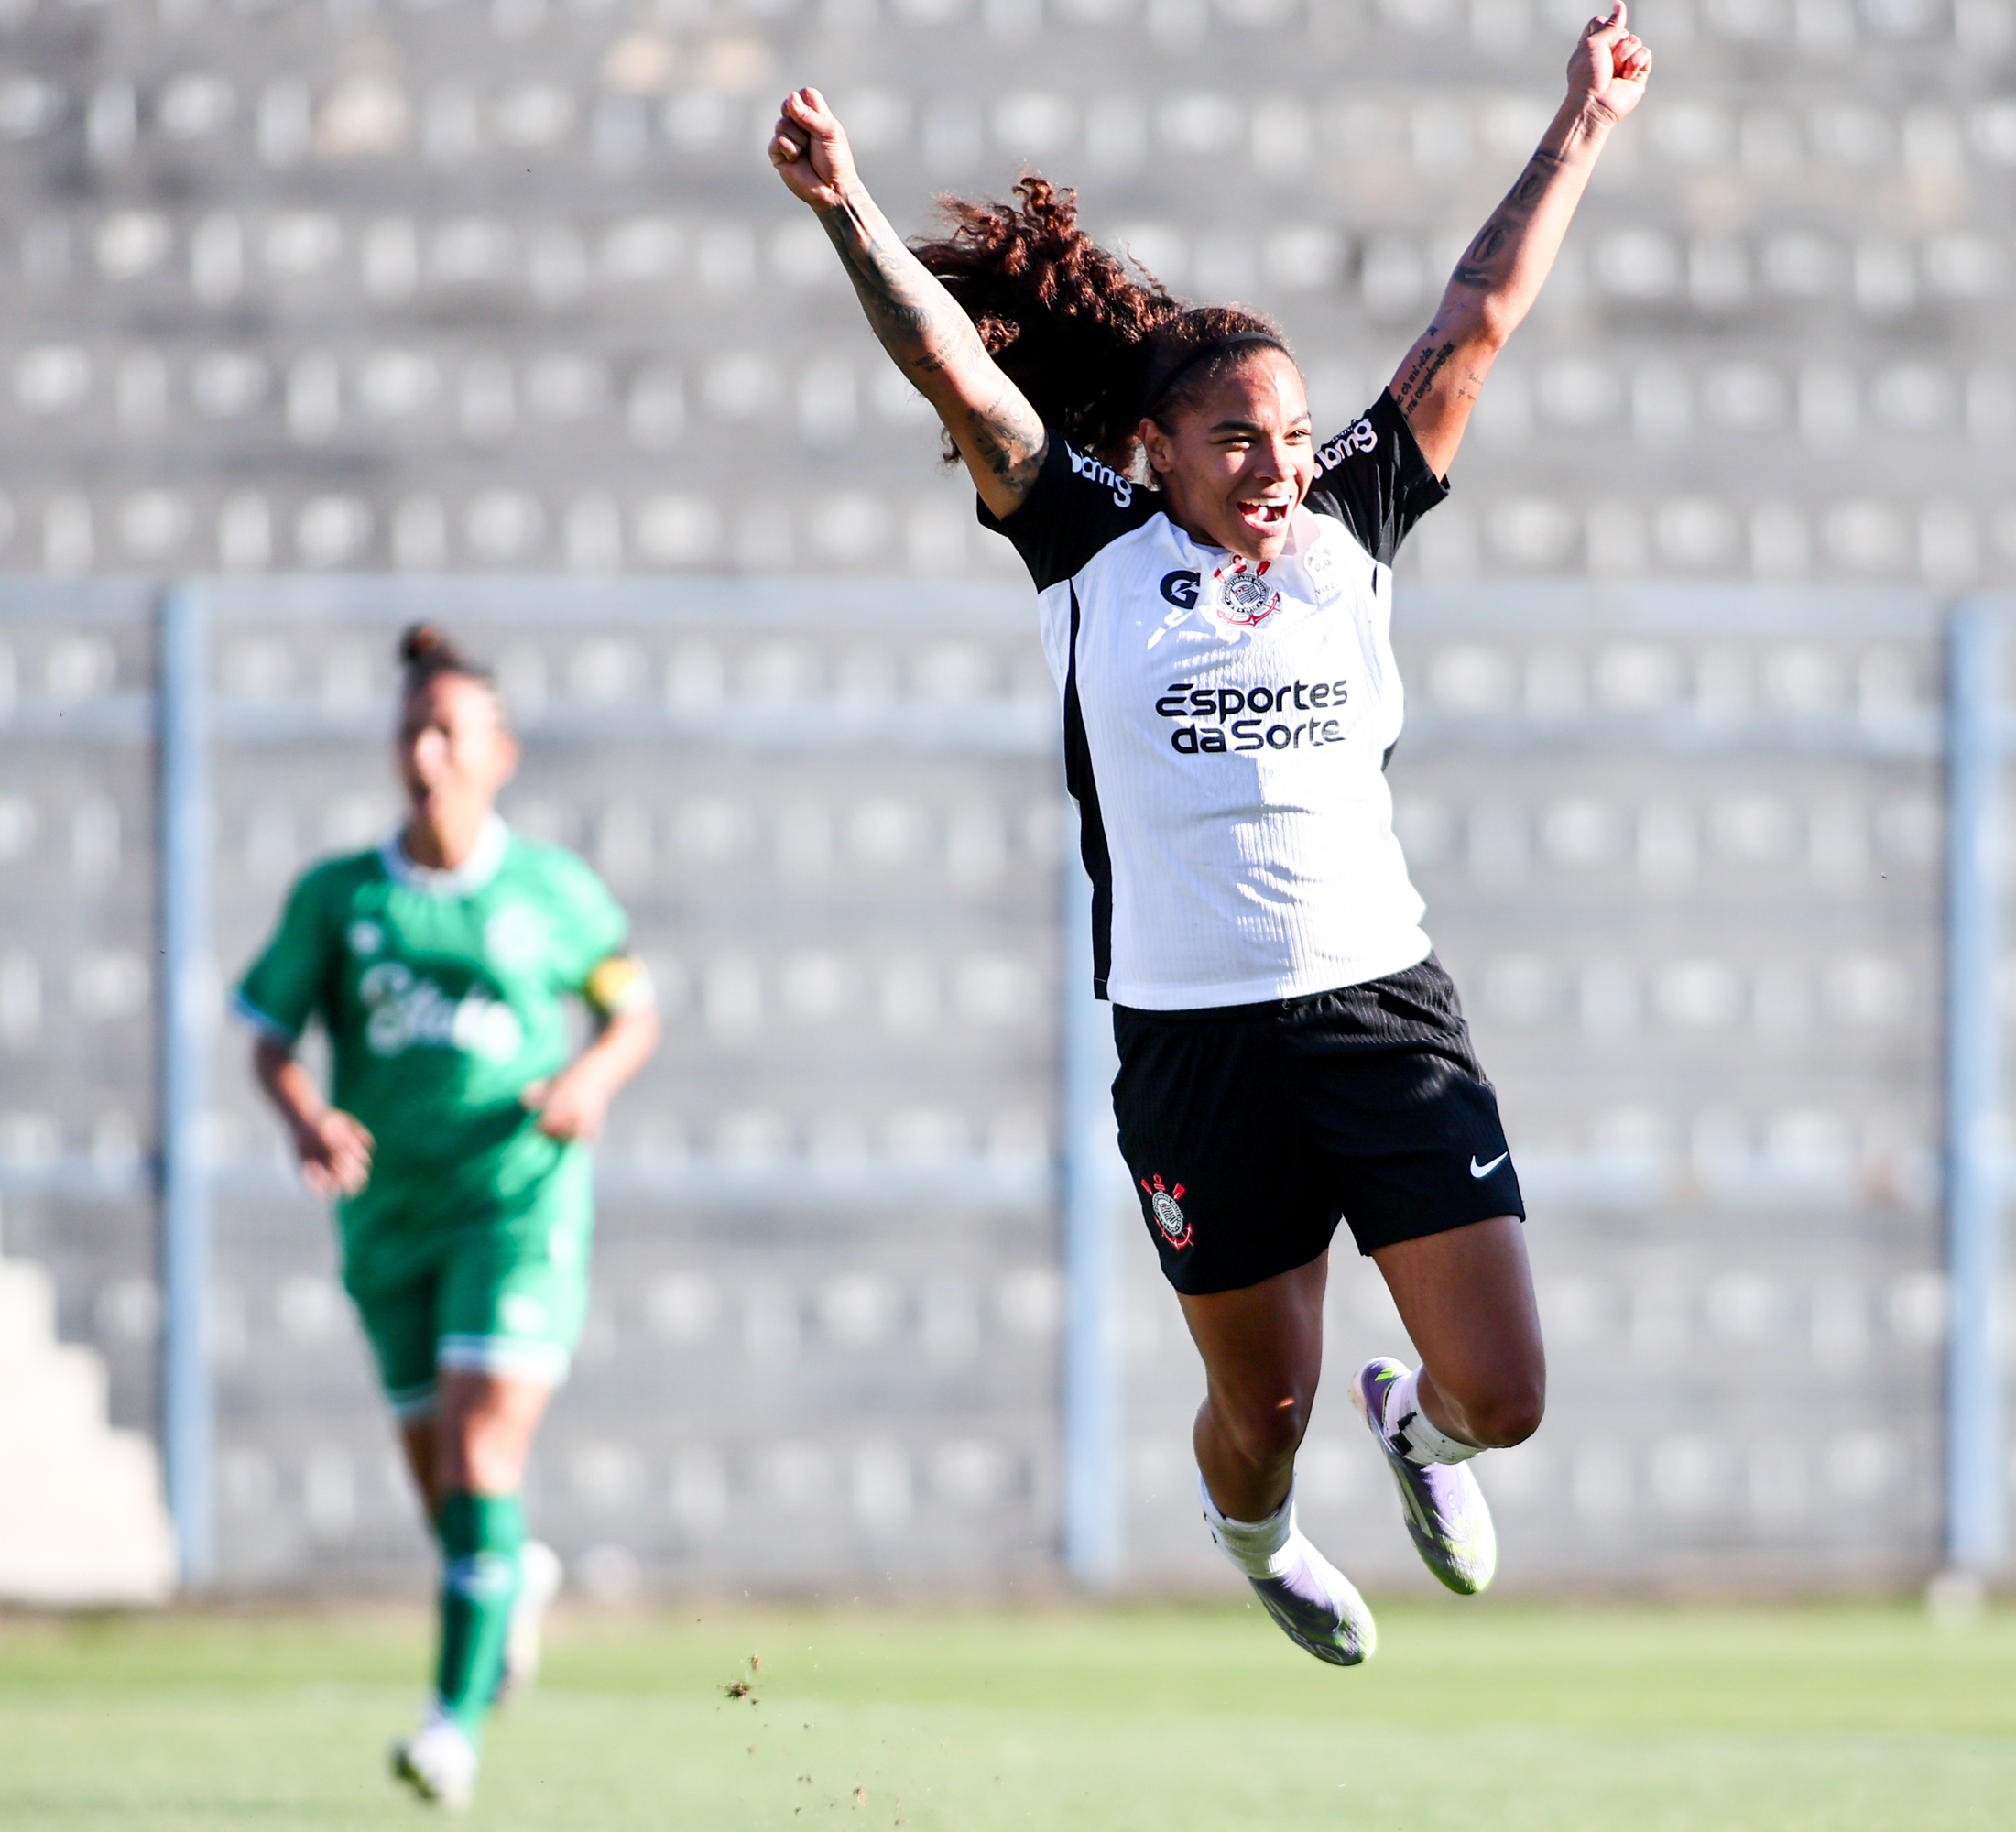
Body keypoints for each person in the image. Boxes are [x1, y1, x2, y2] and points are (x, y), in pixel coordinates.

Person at [768, 8, 1649, 1660]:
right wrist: (845, 208)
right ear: (1151, 447)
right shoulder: (1079, 542)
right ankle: (1254, 1539)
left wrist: (1582, 120)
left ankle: (1426, 1436)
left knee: (1508, 1398)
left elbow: (1474, 319)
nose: (1275, 466)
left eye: (1293, 434)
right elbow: (951, 362)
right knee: (1261, 1413)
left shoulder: (1348, 528)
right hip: (1193, 1040)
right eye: (1237, 437)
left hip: (1381, 1010)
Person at [237, 625, 660, 1801]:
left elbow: (631, 1010)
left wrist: (585, 1079)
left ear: (497, 751)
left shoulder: (551, 891)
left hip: (514, 1201)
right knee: (447, 1491)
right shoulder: (342, 896)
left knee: (481, 1449)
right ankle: (509, 1576)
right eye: (409, 729)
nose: (423, 751)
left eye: (445, 730)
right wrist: (308, 1115)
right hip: (388, 1219)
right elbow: (269, 1036)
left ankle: (449, 1725)